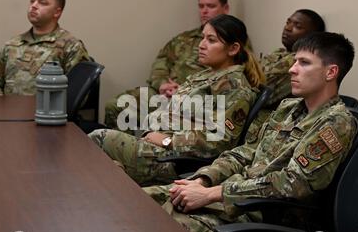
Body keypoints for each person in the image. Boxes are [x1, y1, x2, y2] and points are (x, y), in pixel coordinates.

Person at [144, 32, 358, 232]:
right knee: (140, 202)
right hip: (229, 195)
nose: (292, 69)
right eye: (294, 61)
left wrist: (212, 194)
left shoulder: (337, 122)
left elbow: (293, 183)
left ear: (331, 72)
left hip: (260, 212)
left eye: (304, 63)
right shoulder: (289, 107)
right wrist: (203, 180)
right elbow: (245, 152)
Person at [89, 14, 265, 186]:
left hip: (175, 161)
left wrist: (168, 141)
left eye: (211, 40)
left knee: (99, 138)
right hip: (157, 146)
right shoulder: (207, 75)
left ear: (233, 49)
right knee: (107, 168)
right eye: (203, 38)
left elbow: (218, 141)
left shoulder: (235, 89)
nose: (201, 45)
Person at [103, 0, 230, 131]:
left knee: (160, 119)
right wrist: (162, 84)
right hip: (163, 93)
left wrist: (184, 91)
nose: (204, 11)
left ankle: (145, 148)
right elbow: (160, 64)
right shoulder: (184, 39)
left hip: (193, 100)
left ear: (225, 8)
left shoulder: (230, 42)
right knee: (115, 106)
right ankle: (124, 149)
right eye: (201, 6)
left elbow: (225, 77)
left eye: (211, 6)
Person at [0, 0, 90, 95]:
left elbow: (77, 93)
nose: (33, 5)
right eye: (32, 0)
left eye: (42, 3)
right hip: (7, 111)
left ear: (57, 12)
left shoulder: (70, 46)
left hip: (46, 112)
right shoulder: (12, 44)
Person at [246, 9, 325, 142]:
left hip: (261, 124)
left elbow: (257, 91)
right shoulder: (278, 53)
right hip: (238, 111)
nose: (287, 28)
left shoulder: (297, 63)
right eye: (288, 22)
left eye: (297, 26)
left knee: (211, 132)